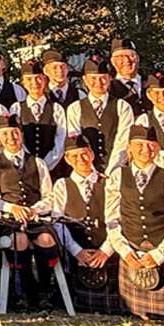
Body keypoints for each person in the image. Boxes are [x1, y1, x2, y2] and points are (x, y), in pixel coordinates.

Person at [103, 124, 164, 324]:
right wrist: (124, 251)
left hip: (161, 248)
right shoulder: (117, 177)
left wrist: (160, 254)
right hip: (131, 247)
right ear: (129, 147)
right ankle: (137, 310)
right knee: (136, 314)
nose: (145, 150)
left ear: (158, 148)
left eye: (151, 145)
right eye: (139, 145)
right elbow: (111, 218)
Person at [0, 115, 56, 311]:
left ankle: (43, 289)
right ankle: (23, 290)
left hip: (36, 218)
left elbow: (49, 197)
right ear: (0, 138)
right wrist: (12, 208)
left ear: (22, 135)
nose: (11, 137)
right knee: (20, 240)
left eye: (15, 133)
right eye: (6, 134)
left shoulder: (38, 163)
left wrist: (35, 209)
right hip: (8, 220)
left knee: (46, 240)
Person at [50, 135, 122, 316]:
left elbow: (118, 219)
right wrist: (77, 252)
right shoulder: (62, 185)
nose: (80, 160)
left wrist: (106, 251)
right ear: (66, 159)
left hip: (107, 253)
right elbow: (57, 223)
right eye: (73, 156)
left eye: (83, 154)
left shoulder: (109, 183)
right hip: (76, 255)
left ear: (91, 154)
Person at [62, 57, 131, 174]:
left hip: (117, 170)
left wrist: (111, 170)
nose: (98, 83)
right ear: (85, 80)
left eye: (103, 78)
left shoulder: (122, 106)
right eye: (93, 78)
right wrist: (92, 171)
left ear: (110, 79)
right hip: (86, 171)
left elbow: (123, 141)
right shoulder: (75, 108)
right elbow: (76, 143)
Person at [9, 60, 66, 176]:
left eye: (38, 78)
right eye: (29, 79)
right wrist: (31, 163)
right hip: (26, 170)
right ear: (23, 83)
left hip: (53, 169)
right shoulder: (16, 108)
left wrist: (46, 163)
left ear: (45, 80)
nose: (34, 82)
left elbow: (61, 138)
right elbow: (17, 140)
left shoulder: (56, 108)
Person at [108, 38, 147, 113]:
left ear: (138, 58)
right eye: (120, 57)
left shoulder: (150, 83)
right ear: (113, 61)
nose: (127, 60)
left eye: (130, 56)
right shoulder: (108, 88)